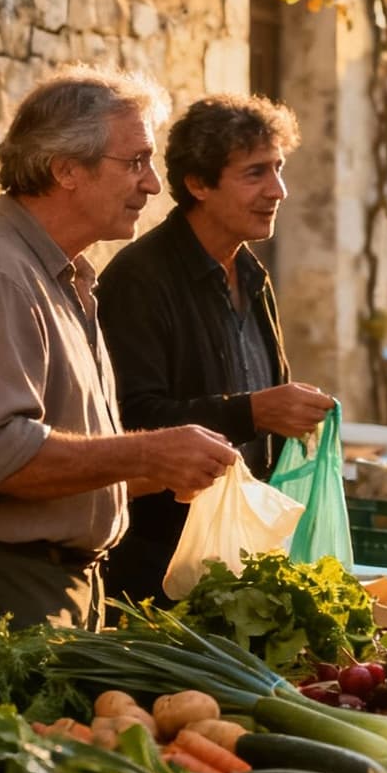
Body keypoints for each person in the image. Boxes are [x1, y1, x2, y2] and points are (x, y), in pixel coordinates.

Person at [0, 68, 241, 671]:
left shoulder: (59, 273)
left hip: (53, 583)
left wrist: (165, 468)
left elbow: (62, 458)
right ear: (66, 170)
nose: (152, 184)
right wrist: (149, 452)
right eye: (136, 162)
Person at [97, 94, 335, 605]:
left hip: (234, 557)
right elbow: (130, 421)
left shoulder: (251, 274)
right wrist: (253, 412)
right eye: (255, 173)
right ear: (198, 184)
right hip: (158, 567)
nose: (278, 191)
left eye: (278, 168)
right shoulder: (140, 280)